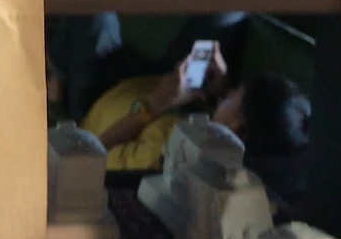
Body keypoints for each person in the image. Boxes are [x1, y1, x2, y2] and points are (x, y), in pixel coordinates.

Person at [80, 44, 310, 170]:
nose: (229, 92)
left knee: (94, 20)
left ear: (238, 129)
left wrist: (156, 103)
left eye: (233, 95)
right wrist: (218, 93)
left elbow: (90, 158)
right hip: (144, 80)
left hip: (96, 102)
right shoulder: (216, 133)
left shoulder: (167, 156)